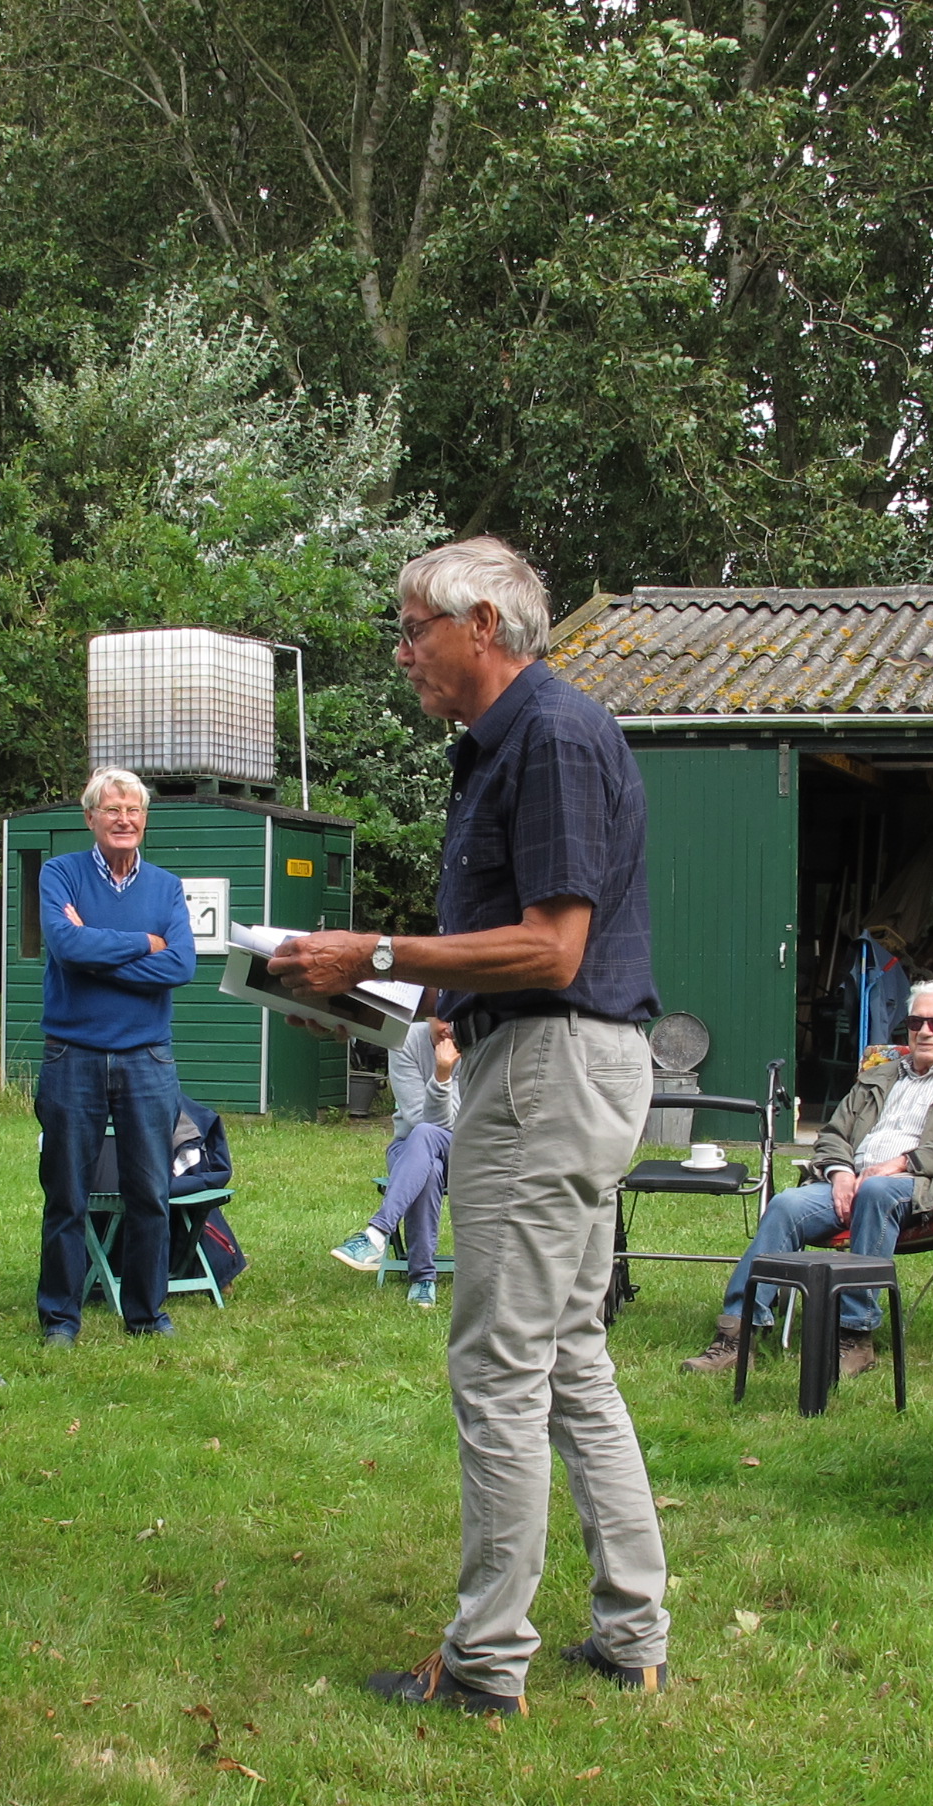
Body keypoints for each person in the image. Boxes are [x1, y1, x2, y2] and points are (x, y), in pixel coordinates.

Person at [270, 534, 668, 1715]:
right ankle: (632, 1633)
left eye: (413, 631)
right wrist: (376, 994)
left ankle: (487, 1665)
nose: (402, 655)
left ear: (481, 625)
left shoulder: (548, 735)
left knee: (498, 1363)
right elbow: (507, 950)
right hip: (555, 1063)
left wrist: (377, 951)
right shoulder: (507, 743)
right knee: (569, 1356)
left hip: (548, 1072)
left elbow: (552, 948)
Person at [680, 978, 933, 1380]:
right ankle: (740, 1332)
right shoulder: (880, 1076)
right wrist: (839, 1174)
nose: (925, 1032)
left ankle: (855, 1336)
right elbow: (834, 1134)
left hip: (918, 1188)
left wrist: (904, 1162)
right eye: (916, 1022)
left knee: (878, 1190)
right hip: (850, 1184)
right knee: (786, 1205)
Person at [35, 767, 197, 1342]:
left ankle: (147, 1315)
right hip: (71, 1055)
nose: (123, 819)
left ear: (144, 819)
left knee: (150, 1193)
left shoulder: (165, 887)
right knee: (66, 1195)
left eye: (133, 810)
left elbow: (180, 965)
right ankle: (60, 1318)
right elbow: (65, 945)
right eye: (112, 810)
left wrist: (96, 952)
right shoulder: (60, 873)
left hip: (146, 1058)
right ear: (90, 818)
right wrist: (143, 943)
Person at [333, 1014, 457, 1307]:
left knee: (427, 1134)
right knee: (429, 1168)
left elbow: (458, 1122)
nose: (449, 1028)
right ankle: (423, 1279)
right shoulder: (405, 1042)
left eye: (457, 1018)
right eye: (443, 1018)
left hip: (463, 1150)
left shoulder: (479, 1044)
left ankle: (376, 1233)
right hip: (409, 1147)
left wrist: (442, 1074)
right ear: (429, 1014)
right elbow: (415, 1116)